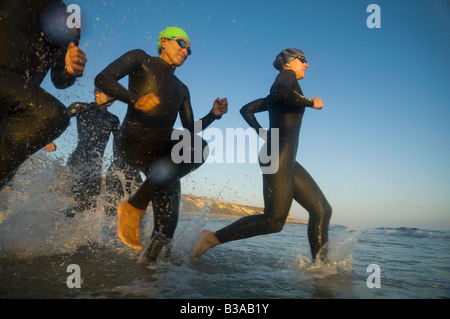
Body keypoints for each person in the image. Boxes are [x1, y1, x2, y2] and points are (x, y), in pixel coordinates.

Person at [95, 27, 228, 261]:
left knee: (166, 231)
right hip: (133, 140)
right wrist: (135, 100)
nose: (186, 51)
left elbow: (189, 130)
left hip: (160, 154)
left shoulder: (182, 89)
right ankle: (134, 205)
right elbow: (102, 79)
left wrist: (212, 115)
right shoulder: (141, 59)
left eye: (189, 49)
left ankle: (149, 279)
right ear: (164, 42)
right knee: (197, 147)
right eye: (181, 43)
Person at [192, 49, 332, 262]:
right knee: (274, 221)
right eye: (303, 60)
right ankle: (211, 238)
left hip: (284, 157)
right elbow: (281, 91)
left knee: (321, 209)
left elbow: (246, 109)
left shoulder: (282, 91)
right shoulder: (287, 77)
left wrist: (260, 131)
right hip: (277, 154)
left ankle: (323, 270)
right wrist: (311, 102)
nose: (306, 64)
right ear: (288, 62)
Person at [0, 0, 87, 191]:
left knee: (5, 176)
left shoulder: (70, 18)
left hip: (15, 106)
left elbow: (60, 80)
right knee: (52, 115)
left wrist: (72, 69)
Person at [45, 88, 125, 216]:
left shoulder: (113, 119)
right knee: (82, 204)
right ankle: (53, 219)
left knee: (90, 208)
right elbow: (60, 118)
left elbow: (118, 145)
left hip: (95, 168)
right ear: (97, 93)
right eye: (108, 93)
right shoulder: (81, 107)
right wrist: (48, 139)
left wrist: (118, 164)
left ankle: (64, 225)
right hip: (78, 162)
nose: (112, 97)